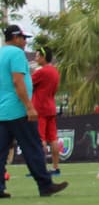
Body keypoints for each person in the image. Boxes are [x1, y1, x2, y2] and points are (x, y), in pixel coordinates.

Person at [0, 24, 69, 198]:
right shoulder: (16, 54)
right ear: (16, 38)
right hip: (18, 110)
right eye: (23, 38)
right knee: (33, 147)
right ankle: (45, 185)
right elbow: (18, 81)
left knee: (0, 151)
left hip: (2, 110)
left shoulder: (0, 53)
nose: (25, 42)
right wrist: (29, 106)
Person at [31, 45, 62, 175]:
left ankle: (41, 169)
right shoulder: (55, 71)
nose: (35, 58)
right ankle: (55, 167)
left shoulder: (41, 72)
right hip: (50, 107)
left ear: (43, 57)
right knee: (53, 138)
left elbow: (28, 83)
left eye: (37, 55)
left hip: (40, 108)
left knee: (40, 139)